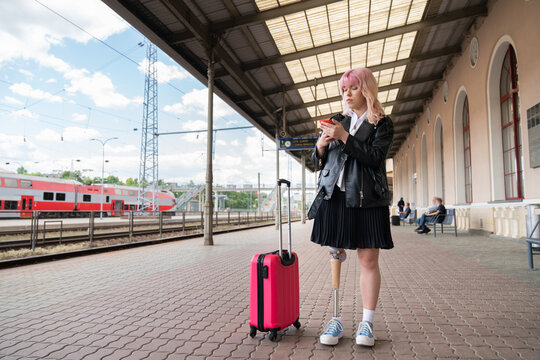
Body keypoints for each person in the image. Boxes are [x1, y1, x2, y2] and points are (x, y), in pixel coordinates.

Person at [310, 67, 394, 347]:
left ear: (366, 89)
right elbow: (318, 161)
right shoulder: (336, 120)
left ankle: (367, 324)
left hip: (368, 200)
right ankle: (335, 319)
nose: (346, 94)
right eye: (344, 89)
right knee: (335, 255)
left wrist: (344, 137)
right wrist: (321, 145)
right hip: (335, 198)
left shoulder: (382, 123)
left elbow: (375, 159)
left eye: (353, 88)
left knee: (368, 261)